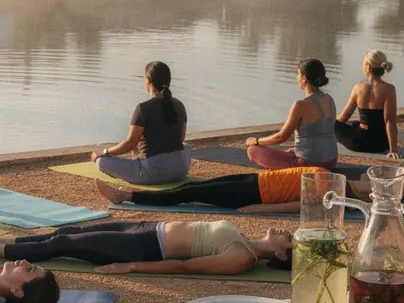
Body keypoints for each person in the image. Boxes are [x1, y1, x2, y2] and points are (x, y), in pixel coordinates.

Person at [0, 219, 291, 276]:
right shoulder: (244, 238)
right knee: (70, 232)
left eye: (287, 239)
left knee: (63, 244)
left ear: (280, 254)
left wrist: (130, 266)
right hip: (147, 228)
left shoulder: (241, 257)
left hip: (141, 248)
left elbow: (185, 266)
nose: (285, 232)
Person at [94, 166, 373, 214]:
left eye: (368, 179)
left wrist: (263, 209)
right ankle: (127, 194)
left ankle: (126, 195)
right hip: (256, 180)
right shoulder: (334, 176)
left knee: (186, 193)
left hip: (254, 194)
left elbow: (302, 205)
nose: (366, 175)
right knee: (193, 187)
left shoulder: (333, 187)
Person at [91, 61, 190, 185]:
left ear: (148, 80)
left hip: (152, 173)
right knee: (185, 146)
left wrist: (105, 152)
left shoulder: (143, 108)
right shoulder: (180, 105)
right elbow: (180, 140)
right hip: (180, 171)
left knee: (101, 161)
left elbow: (130, 144)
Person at [245, 58, 337, 170]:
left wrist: (256, 141)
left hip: (307, 164)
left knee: (253, 150)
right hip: (331, 161)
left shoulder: (300, 105)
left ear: (304, 78)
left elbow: (281, 137)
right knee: (291, 150)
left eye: (298, 74)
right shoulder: (329, 99)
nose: (297, 77)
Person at [335, 50, 402, 159]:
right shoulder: (389, 89)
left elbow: (343, 117)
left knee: (334, 124)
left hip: (358, 143)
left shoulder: (358, 88)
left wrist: (331, 125)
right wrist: (393, 149)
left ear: (368, 68)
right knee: (355, 124)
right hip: (380, 144)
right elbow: (389, 121)